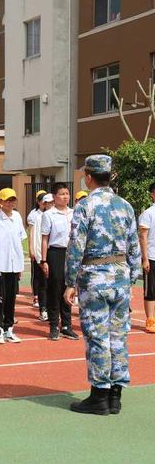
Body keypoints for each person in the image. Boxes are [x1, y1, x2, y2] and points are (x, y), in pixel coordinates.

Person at [65, 155, 141, 415]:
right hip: (120, 278)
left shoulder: (86, 206)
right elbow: (134, 248)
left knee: (97, 336)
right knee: (118, 337)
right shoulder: (126, 206)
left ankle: (99, 395)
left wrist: (69, 282)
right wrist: (130, 279)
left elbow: (75, 246)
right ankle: (115, 396)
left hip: (94, 278)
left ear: (88, 176)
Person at [0, 188, 26, 344]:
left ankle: (9, 329)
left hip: (15, 264)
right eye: (8, 200)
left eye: (13, 200)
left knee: (11, 298)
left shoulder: (17, 216)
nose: (11, 203)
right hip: (1, 264)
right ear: (0, 202)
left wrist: (21, 265)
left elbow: (20, 241)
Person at [40, 183, 79, 341]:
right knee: (55, 289)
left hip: (71, 253)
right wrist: (44, 260)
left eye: (67, 194)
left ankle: (66, 326)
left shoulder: (74, 213)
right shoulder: (49, 214)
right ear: (54, 197)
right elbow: (44, 239)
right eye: (61, 194)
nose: (65, 197)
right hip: (55, 253)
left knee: (69, 288)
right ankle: (54, 325)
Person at [28, 193, 51, 322]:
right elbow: (34, 235)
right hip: (41, 254)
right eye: (46, 202)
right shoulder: (36, 217)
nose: (48, 204)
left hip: (54, 254)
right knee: (42, 281)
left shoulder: (57, 216)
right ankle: (43, 308)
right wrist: (34, 251)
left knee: (53, 283)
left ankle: (51, 308)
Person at [139, 181, 155, 333]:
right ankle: (150, 320)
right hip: (152, 257)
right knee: (150, 290)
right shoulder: (148, 213)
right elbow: (143, 237)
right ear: (152, 194)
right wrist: (145, 258)